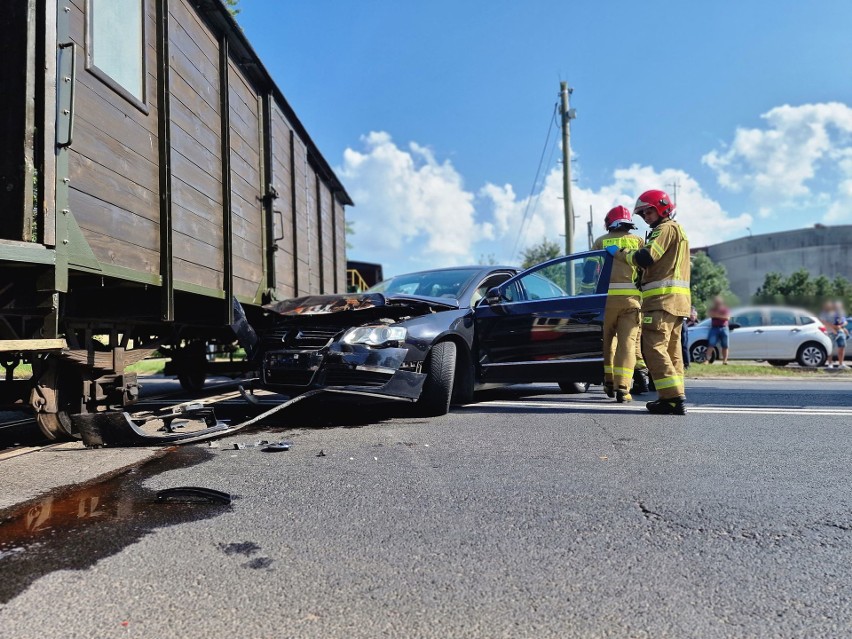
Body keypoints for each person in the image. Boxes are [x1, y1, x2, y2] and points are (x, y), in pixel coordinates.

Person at [607, 189, 690, 415]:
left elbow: (646, 257)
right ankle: (672, 397)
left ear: (661, 207)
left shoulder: (664, 229)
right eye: (642, 214)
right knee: (672, 352)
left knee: (652, 347)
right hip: (677, 303)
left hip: (661, 300)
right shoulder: (678, 230)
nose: (646, 217)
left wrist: (620, 253)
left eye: (648, 212)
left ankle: (673, 397)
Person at [591, 205, 644, 402]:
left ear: (609, 223)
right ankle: (623, 388)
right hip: (631, 302)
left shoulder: (600, 241)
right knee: (627, 344)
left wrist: (587, 292)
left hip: (605, 302)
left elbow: (589, 271)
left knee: (608, 343)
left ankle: (609, 382)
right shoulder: (637, 240)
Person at [706, 296, 731, 365]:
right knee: (711, 344)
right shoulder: (712, 309)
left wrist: (717, 316)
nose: (717, 303)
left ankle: (725, 361)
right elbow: (710, 315)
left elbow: (727, 318)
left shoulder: (725, 309)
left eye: (718, 302)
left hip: (724, 328)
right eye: (716, 302)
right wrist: (721, 316)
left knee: (725, 345)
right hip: (714, 328)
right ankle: (707, 360)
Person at [833, 300, 848, 369]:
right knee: (840, 348)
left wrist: (842, 327)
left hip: (841, 331)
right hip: (837, 332)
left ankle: (841, 363)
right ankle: (839, 364)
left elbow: (845, 322)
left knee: (842, 347)